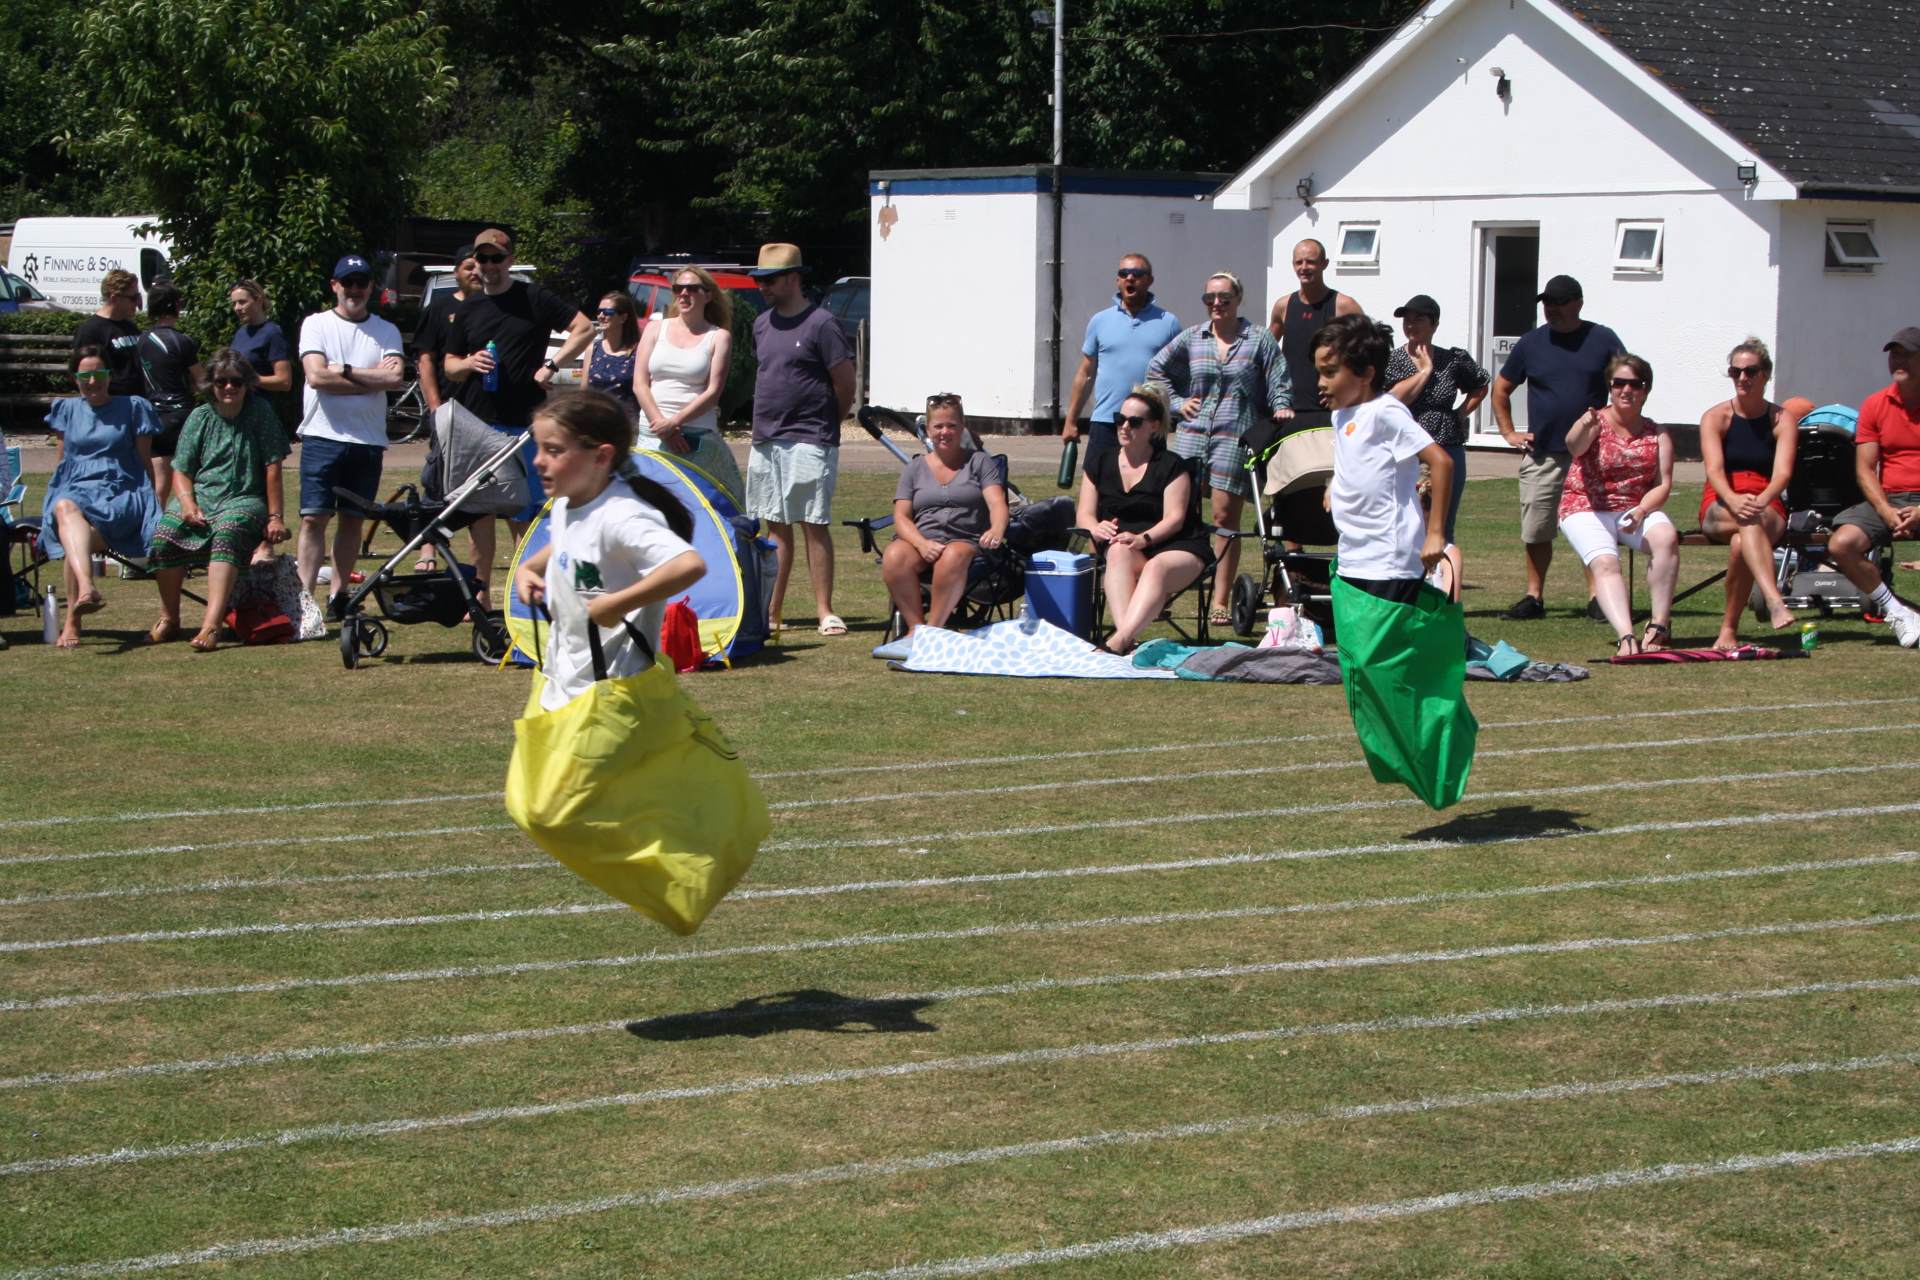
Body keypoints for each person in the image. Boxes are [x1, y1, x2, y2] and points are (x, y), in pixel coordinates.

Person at [512, 389, 707, 711]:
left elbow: (689, 564)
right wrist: (528, 569)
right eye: (539, 448)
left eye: (554, 450)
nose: (538, 460)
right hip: (564, 688)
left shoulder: (622, 515)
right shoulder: (565, 504)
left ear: (601, 457)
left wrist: (617, 603)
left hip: (616, 697)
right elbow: (567, 541)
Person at [444, 227, 593, 592]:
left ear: (510, 261)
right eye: (483, 258)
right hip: (478, 426)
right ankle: (481, 600)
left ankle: (529, 598)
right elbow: (448, 365)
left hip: (524, 427)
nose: (489, 265)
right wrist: (469, 363)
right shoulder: (469, 308)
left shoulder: (533, 297)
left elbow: (584, 328)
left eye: (497, 258)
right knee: (479, 516)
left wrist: (552, 366)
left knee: (526, 517)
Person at [1145, 269, 1289, 628]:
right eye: (1210, 297)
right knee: (1178, 515)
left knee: (1225, 518)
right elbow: (1156, 369)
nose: (1217, 303)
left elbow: (1278, 380)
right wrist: (1177, 403)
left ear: (1238, 299)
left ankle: (1220, 600)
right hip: (1193, 434)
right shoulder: (1193, 337)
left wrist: (1281, 407)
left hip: (1234, 435)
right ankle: (1161, 593)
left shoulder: (1258, 338)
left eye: (1224, 297)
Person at [1491, 274, 1626, 619]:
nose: (1551, 309)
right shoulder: (1531, 343)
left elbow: (1626, 384)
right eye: (1547, 303)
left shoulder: (1602, 339)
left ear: (1578, 303)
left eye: (1559, 302)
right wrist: (1509, 433)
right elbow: (1501, 389)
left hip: (1591, 455)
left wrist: (1618, 428)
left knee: (1594, 528)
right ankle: (1534, 597)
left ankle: (1598, 598)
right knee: (1537, 528)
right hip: (1543, 454)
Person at [145, 348, 291, 651]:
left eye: (236, 381)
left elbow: (273, 467)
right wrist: (187, 504)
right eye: (221, 381)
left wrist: (275, 517)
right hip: (202, 495)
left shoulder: (261, 413)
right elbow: (181, 470)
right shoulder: (199, 416)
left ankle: (211, 626)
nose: (228, 387)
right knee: (164, 535)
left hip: (245, 497)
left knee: (227, 533)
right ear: (210, 384)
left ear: (247, 384)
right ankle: (169, 618)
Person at [745, 242, 856, 636]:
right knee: (775, 527)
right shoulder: (761, 324)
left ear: (793, 278)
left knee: (813, 522)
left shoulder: (822, 324)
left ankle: (825, 611)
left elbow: (845, 385)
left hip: (811, 436)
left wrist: (827, 422)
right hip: (766, 436)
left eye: (770, 279)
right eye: (759, 279)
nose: (762, 286)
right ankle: (772, 613)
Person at [296, 253, 406, 617]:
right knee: (314, 519)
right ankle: (304, 601)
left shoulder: (386, 331)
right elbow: (316, 377)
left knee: (353, 520)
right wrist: (369, 379)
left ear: (371, 287)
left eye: (361, 283)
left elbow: (394, 378)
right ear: (335, 286)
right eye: (348, 283)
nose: (354, 289)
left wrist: (342, 370)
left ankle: (340, 597)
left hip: (367, 440)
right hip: (322, 436)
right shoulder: (316, 324)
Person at [1318, 316, 1453, 595]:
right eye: (1319, 373)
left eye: (1330, 373)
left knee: (1387, 626)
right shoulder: (1341, 414)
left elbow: (1442, 462)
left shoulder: (1385, 412)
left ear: (1366, 375)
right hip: (1353, 557)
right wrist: (1335, 484)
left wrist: (1435, 533)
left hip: (1390, 560)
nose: (1321, 382)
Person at [39, 346, 161, 648]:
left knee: (73, 538)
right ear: (74, 378)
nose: (92, 381)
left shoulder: (133, 407)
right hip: (76, 488)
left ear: (110, 375)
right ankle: (86, 587)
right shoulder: (66, 409)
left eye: (99, 374)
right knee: (64, 507)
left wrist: (152, 504)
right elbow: (62, 463)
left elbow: (145, 463)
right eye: (85, 376)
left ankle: (73, 619)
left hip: (120, 490)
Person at [1557, 354, 1677, 657]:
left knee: (1666, 538)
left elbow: (1663, 484)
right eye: (1619, 383)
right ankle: (1626, 637)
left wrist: (1641, 511)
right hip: (1585, 506)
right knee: (1606, 563)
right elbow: (1574, 446)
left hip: (1633, 507)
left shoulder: (1658, 433)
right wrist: (1583, 425)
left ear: (1646, 390)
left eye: (1635, 384)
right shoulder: (1594, 421)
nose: (1626, 390)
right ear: (1610, 387)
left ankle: (1659, 626)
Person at [1075, 385, 1208, 655]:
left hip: (1176, 546)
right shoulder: (1099, 463)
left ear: (1153, 426)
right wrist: (1095, 527)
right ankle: (1126, 640)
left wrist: (1143, 538)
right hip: (1126, 546)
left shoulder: (1171, 465)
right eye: (1119, 419)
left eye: (1134, 422)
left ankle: (1119, 640)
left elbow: (1175, 519)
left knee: (1155, 567)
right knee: (1117, 552)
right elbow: (1084, 514)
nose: (1124, 427)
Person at [1698, 337, 1801, 649]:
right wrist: (1733, 499)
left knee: (1742, 542)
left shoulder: (1782, 419)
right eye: (1736, 371)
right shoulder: (1715, 417)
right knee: (1747, 522)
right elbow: (1714, 471)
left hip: (1766, 500)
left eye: (1750, 371)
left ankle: (1728, 631)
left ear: (1765, 374)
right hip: (1721, 500)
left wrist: (1762, 500)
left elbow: (1782, 474)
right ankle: (1773, 598)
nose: (1742, 378)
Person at [881, 393, 1008, 639]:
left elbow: (997, 504)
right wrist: (921, 544)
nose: (945, 432)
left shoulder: (979, 462)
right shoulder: (914, 468)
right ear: (928, 429)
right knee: (894, 556)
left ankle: (934, 632)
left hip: (966, 540)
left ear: (962, 428)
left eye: (951, 425)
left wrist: (996, 529)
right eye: (938, 426)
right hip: (922, 540)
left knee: (952, 555)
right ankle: (915, 629)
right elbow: (901, 517)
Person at [1385, 294, 1489, 585]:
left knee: (1443, 520)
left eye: (1418, 319)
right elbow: (1391, 400)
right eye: (1407, 319)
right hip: (1406, 448)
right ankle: (1408, 580)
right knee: (1409, 518)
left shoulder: (1452, 360)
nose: (1410, 324)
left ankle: (1441, 585)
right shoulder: (1392, 361)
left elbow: (1481, 384)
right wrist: (1423, 371)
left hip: (1446, 443)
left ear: (1434, 324)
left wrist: (1461, 413)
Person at [1826, 326, 1920, 647]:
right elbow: (1865, 469)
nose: (1898, 361)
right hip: (1889, 498)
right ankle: (1897, 613)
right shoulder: (1875, 404)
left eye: (1907, 354)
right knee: (1842, 544)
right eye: (1895, 354)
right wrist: (1885, 510)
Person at [1062, 253, 1182, 478]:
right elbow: (1085, 373)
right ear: (1117, 280)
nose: (1130, 278)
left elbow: (1180, 375)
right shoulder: (1100, 321)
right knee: (1097, 485)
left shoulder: (1168, 323)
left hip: (1148, 424)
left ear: (1149, 280)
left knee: (1149, 486)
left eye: (1137, 274)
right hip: (1106, 422)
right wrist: (1070, 421)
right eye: (1124, 273)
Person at [634, 266, 745, 504]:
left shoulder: (719, 337)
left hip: (696, 437)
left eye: (692, 288)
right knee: (651, 506)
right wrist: (663, 427)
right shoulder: (655, 329)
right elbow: (640, 384)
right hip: (652, 432)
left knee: (704, 506)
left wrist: (674, 423)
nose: (684, 293)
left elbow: (713, 392)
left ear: (708, 295)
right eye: (678, 288)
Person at [1267, 238, 1363, 426]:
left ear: (1324, 264)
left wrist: (1343, 390)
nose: (1304, 267)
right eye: (1299, 262)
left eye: (1310, 262)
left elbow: (1367, 354)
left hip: (1331, 410)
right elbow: (1265, 352)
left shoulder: (1344, 305)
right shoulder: (1283, 306)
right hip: (1288, 410)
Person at [134, 282, 206, 506]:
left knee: (159, 484)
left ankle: (153, 524)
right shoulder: (182, 341)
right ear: (175, 306)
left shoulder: (141, 340)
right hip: (181, 414)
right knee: (188, 479)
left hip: (152, 414)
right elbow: (202, 380)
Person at [413, 245, 480, 414]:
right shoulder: (438, 309)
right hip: (450, 405)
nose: (475, 272)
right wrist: (435, 407)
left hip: (490, 409)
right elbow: (425, 360)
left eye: (479, 267)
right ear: (456, 272)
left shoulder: (496, 309)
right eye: (469, 267)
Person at [72, 269, 144, 398]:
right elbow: (83, 374)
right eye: (133, 298)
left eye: (138, 297)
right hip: (112, 401)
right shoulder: (90, 331)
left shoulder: (131, 326)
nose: (138, 303)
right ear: (114, 298)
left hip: (139, 400)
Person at [228, 279, 294, 395]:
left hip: (261, 403)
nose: (237, 308)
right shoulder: (240, 333)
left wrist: (250, 379)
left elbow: (284, 382)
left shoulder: (273, 333)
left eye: (242, 302)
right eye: (234, 303)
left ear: (258, 300)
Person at [584, 290, 644, 416]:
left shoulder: (638, 351)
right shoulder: (592, 349)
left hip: (626, 422)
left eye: (608, 312)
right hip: (595, 420)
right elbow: (584, 393)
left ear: (623, 317)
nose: (601, 316)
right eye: (599, 312)